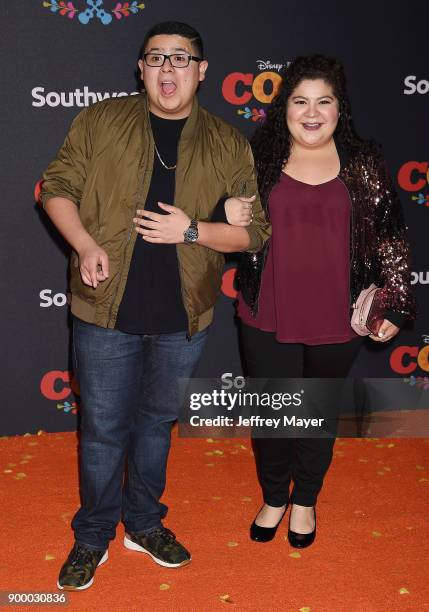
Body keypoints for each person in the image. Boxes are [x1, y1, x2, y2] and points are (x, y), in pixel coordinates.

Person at [40, 21, 270, 590]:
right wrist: (86, 243)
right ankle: (93, 536)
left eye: (181, 59)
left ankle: (143, 523)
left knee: (156, 427)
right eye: (157, 58)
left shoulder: (226, 143)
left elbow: (254, 234)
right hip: (105, 312)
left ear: (202, 70)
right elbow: (56, 187)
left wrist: (192, 230)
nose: (169, 69)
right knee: (102, 432)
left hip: (182, 317)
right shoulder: (99, 121)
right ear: (140, 68)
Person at [234, 54, 416, 548]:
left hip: (337, 316)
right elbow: (228, 221)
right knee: (273, 414)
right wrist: (224, 210)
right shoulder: (259, 158)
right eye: (300, 101)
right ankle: (274, 497)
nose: (311, 112)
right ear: (284, 107)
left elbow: (390, 235)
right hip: (266, 311)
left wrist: (398, 303)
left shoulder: (364, 162)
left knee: (315, 413)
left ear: (340, 109)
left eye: (323, 102)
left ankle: (306, 501)